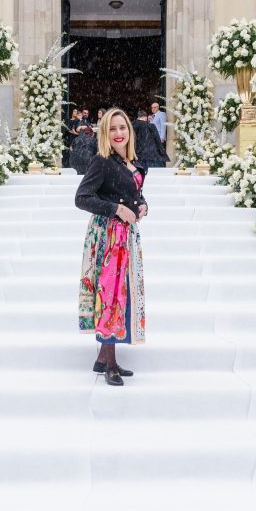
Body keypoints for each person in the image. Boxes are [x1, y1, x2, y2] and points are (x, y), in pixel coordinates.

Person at [74, 108, 148, 387]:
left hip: (126, 237)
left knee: (120, 294)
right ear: (105, 133)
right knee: (110, 295)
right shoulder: (102, 161)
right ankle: (111, 364)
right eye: (113, 129)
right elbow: (82, 198)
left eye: (123, 128)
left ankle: (103, 358)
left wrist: (142, 206)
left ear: (130, 131)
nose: (119, 133)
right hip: (107, 236)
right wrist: (115, 208)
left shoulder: (131, 162)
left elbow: (135, 194)